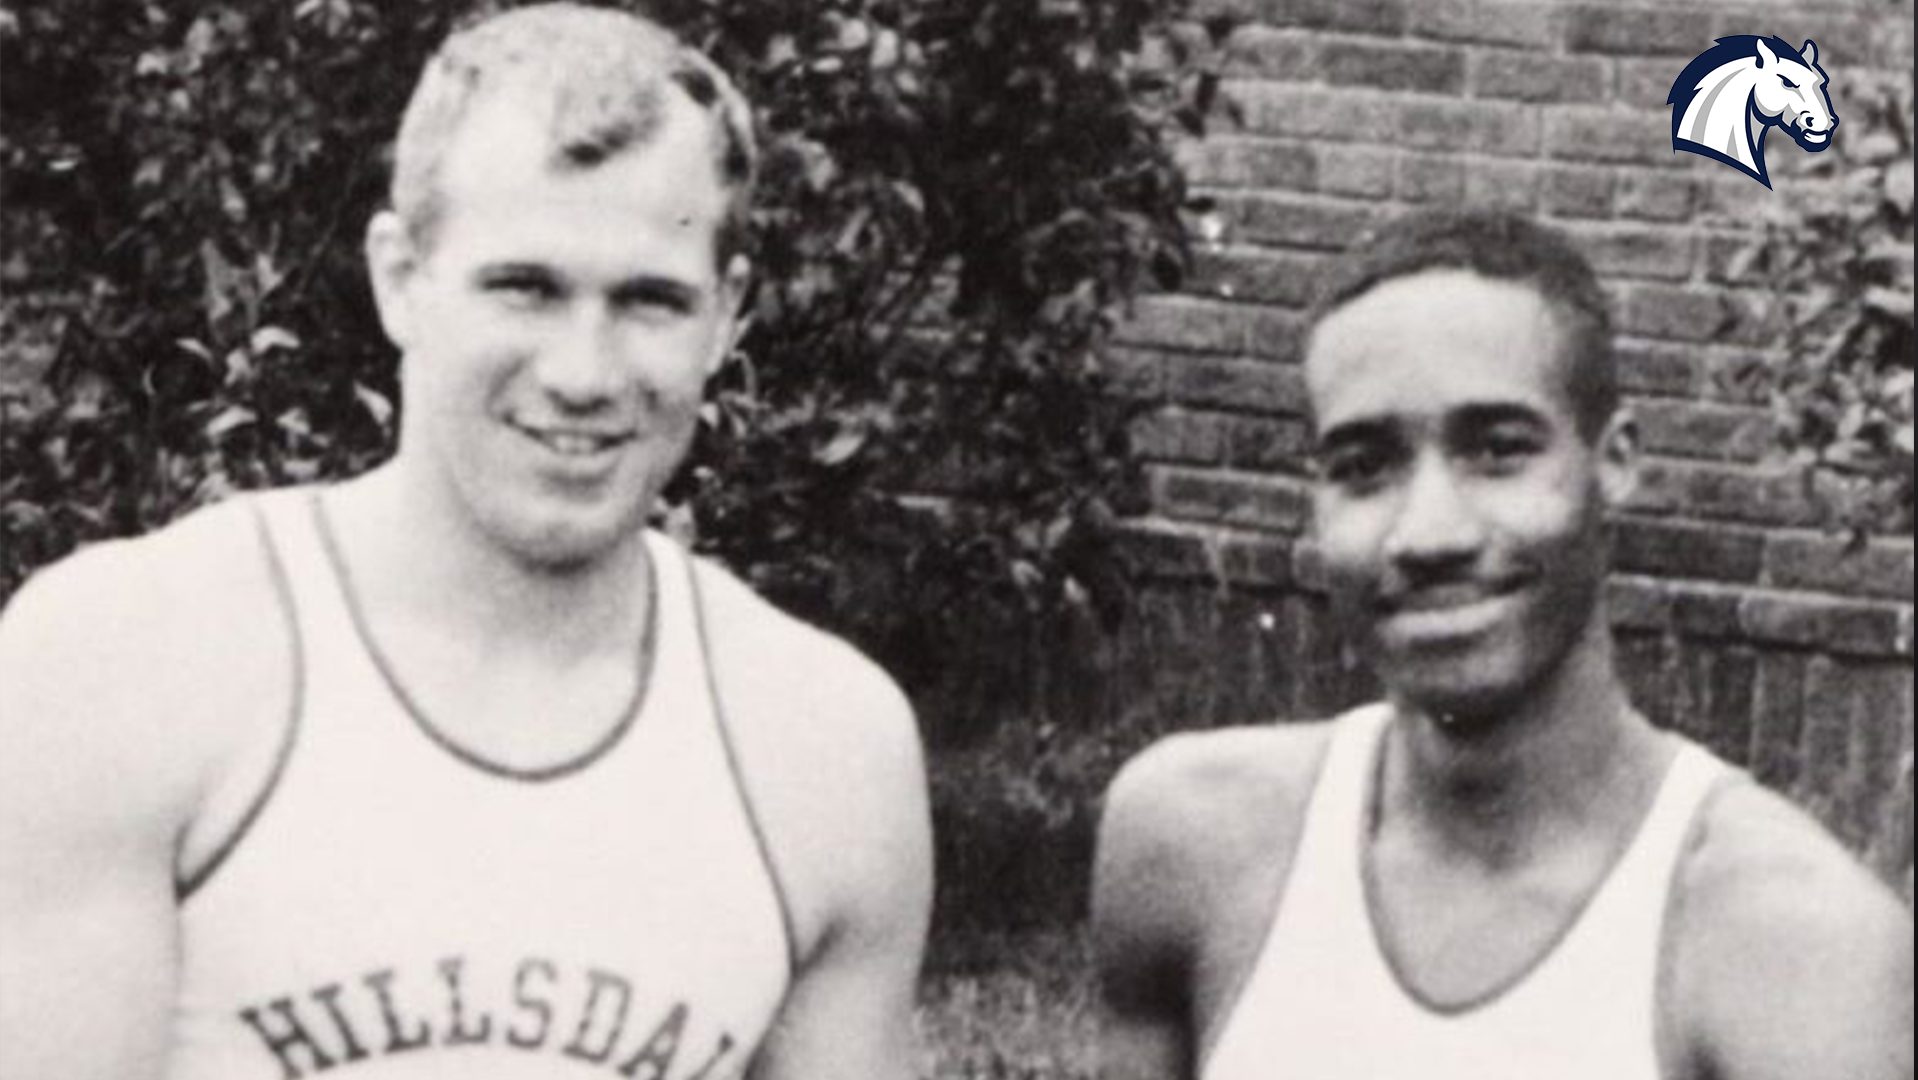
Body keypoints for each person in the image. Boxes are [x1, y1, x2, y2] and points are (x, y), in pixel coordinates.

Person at [0, 5, 932, 1078]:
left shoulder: (823, 750)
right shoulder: (132, 661)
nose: (582, 372)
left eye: (650, 301)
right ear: (400, 278)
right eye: (523, 288)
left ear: (726, 317)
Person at [1091, 208, 1913, 1080]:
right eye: (1365, 466)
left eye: (1497, 450)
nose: (1429, 531)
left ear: (1615, 463)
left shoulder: (1792, 947)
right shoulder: (1195, 844)